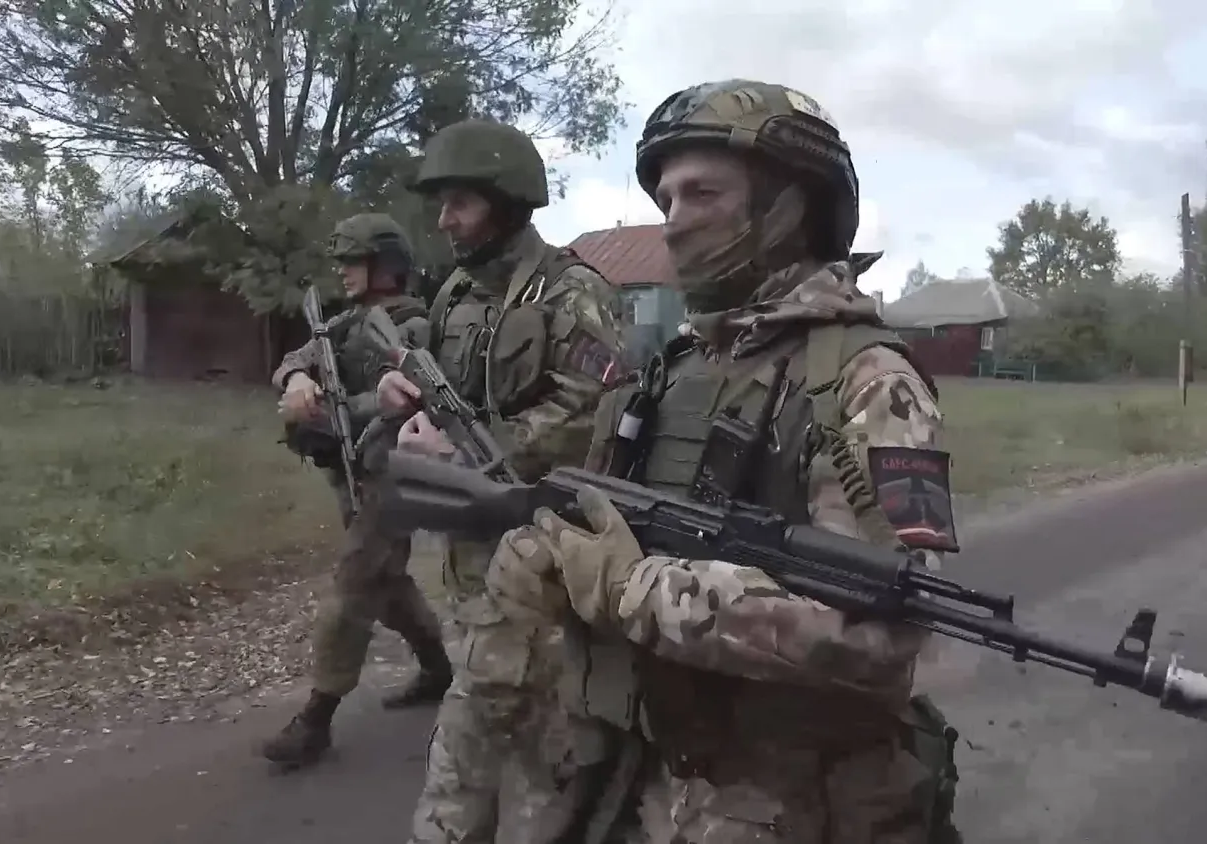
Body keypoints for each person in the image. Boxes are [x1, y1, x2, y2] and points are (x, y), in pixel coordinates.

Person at [483, 80, 966, 843]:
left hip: (794, 803)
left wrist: (636, 589)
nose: (672, 223)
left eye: (701, 193)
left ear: (788, 206)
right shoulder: (675, 368)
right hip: (646, 770)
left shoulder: (866, 382)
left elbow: (882, 633)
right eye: (666, 198)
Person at [374, 118, 630, 843]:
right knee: (480, 730)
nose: (445, 220)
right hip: (466, 556)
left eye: (461, 202)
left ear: (509, 201)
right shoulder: (456, 292)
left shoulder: (573, 291)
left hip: (546, 560)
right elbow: (437, 379)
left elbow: (594, 406)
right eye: (443, 204)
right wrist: (404, 396)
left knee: (541, 753)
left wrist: (488, 453)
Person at [261, 213, 453, 769]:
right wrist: (297, 379)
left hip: (393, 476)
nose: (343, 271)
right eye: (341, 260)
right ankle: (439, 669)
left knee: (354, 585)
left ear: (386, 264)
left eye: (354, 260)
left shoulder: (410, 326)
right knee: (385, 582)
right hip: (351, 473)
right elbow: (303, 356)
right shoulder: (344, 321)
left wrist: (342, 407)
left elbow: (413, 399)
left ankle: (316, 720)